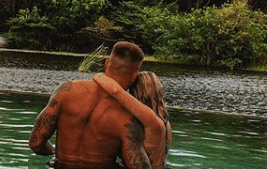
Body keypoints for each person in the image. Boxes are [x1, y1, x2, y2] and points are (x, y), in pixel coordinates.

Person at [29, 41, 152, 169]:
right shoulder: (128, 114)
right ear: (135, 76)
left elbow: (35, 143)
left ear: (106, 64)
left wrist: (55, 151)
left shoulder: (66, 90)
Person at [94, 71, 172, 169]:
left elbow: (116, 91)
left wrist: (98, 76)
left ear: (137, 90)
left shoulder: (149, 118)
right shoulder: (165, 120)